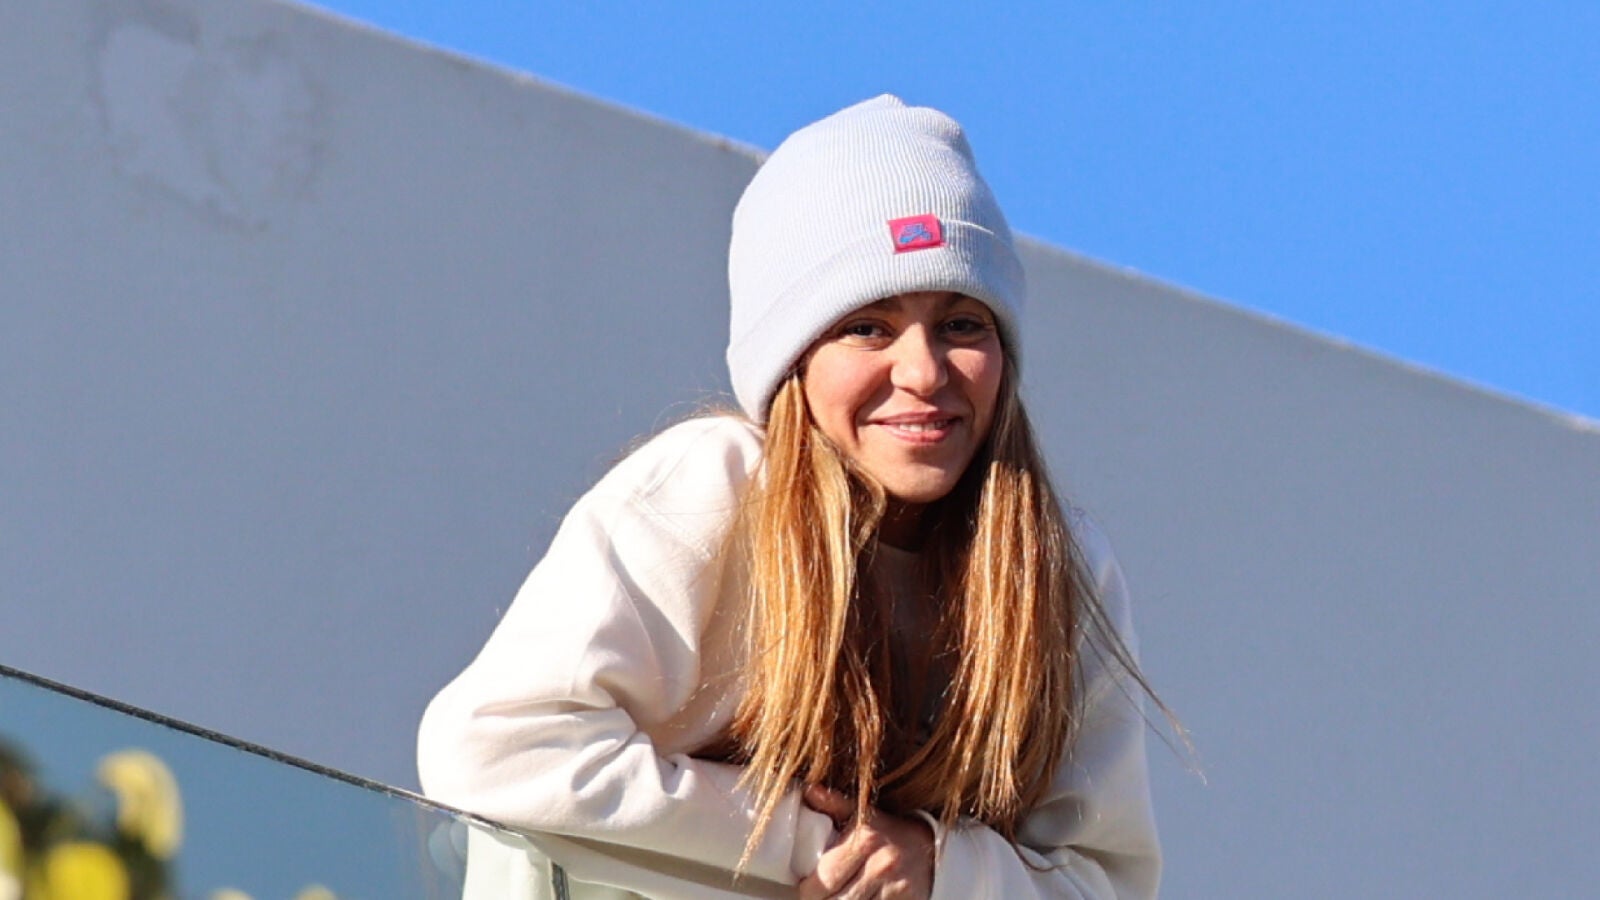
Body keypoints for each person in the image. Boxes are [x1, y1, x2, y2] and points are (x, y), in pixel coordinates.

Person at [418, 95, 1162, 899]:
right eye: (867, 327)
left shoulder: (1054, 567)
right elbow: (498, 749)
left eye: (962, 325)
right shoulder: (717, 487)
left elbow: (1106, 879)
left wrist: (939, 866)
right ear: (790, 363)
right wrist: (823, 844)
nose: (923, 372)